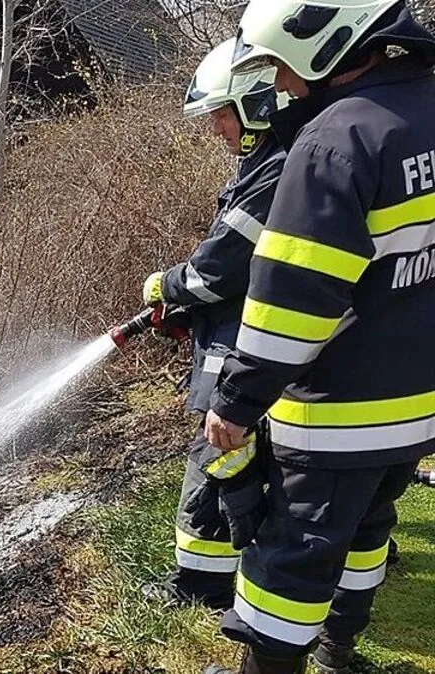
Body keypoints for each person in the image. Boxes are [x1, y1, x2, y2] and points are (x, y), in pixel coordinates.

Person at [202, 2, 435, 673]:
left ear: (325, 43)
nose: (278, 85)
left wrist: (238, 400)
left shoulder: (338, 140)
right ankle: (342, 651)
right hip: (416, 406)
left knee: (292, 556)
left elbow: (295, 300)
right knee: (367, 533)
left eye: (278, 65)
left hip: (341, 411)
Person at [139, 38, 286, 611]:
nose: (217, 128)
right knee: (239, 458)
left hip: (238, 347)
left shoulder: (274, 169)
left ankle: (203, 586)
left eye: (222, 114)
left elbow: (219, 271)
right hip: (245, 338)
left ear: (255, 105)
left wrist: (166, 286)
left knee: (215, 456)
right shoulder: (270, 162)